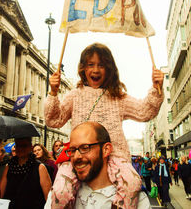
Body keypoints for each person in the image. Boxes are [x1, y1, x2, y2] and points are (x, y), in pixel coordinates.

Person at [45, 42, 164, 208]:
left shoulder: (117, 97)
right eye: (90, 65)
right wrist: (53, 92)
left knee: (132, 183)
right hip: (78, 156)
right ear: (83, 69)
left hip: (115, 157)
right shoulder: (75, 95)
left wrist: (156, 88)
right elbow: (53, 120)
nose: (95, 70)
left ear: (109, 69)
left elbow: (145, 112)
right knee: (60, 191)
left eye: (101, 65)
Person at [49, 121, 151, 208]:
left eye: (85, 148)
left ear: (106, 149)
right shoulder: (58, 194)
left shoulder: (138, 199)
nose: (76, 157)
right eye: (72, 150)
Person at [0, 137, 52, 209]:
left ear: (30, 147)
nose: (20, 149)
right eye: (18, 146)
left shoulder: (40, 167)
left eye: (24, 146)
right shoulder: (9, 167)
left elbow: (49, 199)